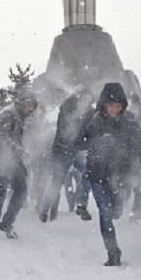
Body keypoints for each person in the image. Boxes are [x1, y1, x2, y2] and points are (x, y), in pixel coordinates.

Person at [75, 83, 141, 266]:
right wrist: (98, 142)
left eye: (118, 106)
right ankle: (113, 252)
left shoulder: (129, 121)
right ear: (103, 104)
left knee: (117, 210)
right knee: (105, 212)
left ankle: (117, 211)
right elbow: (78, 142)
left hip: (121, 174)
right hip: (97, 173)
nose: (114, 109)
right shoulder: (92, 120)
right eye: (110, 105)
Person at [0, 90, 38, 243]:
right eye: (29, 105)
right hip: (0, 160)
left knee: (21, 191)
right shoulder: (9, 114)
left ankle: (7, 222)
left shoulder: (20, 115)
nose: (31, 109)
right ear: (23, 103)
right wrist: (19, 149)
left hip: (14, 160)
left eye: (33, 106)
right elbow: (1, 136)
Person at [39, 90, 93, 222]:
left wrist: (88, 143)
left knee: (89, 173)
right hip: (61, 151)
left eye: (88, 100)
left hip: (77, 150)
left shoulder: (89, 115)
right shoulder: (67, 110)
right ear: (78, 100)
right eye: (83, 100)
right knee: (56, 181)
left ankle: (81, 205)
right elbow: (64, 130)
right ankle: (44, 210)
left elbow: (90, 132)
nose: (85, 103)